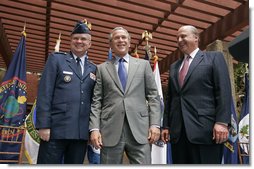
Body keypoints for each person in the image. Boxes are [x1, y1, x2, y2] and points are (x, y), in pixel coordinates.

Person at [89, 27, 161, 164]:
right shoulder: (102, 68)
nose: (120, 40)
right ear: (110, 45)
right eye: (116, 38)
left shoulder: (144, 65)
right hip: (110, 130)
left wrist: (155, 124)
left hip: (140, 130)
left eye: (124, 37)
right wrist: (94, 129)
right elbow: (96, 101)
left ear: (129, 42)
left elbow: (153, 97)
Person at [161, 25, 232, 164]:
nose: (179, 40)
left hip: (206, 131)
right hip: (178, 134)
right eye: (177, 38)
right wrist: (167, 126)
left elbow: (223, 90)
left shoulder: (213, 58)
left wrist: (222, 122)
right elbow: (170, 98)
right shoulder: (174, 66)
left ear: (196, 38)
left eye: (183, 36)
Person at [36, 19, 96, 164]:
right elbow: (45, 92)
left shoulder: (93, 68)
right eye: (76, 38)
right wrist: (43, 125)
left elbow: (93, 100)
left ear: (89, 44)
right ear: (70, 41)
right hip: (56, 130)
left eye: (83, 39)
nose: (79, 41)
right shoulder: (56, 60)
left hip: (80, 134)